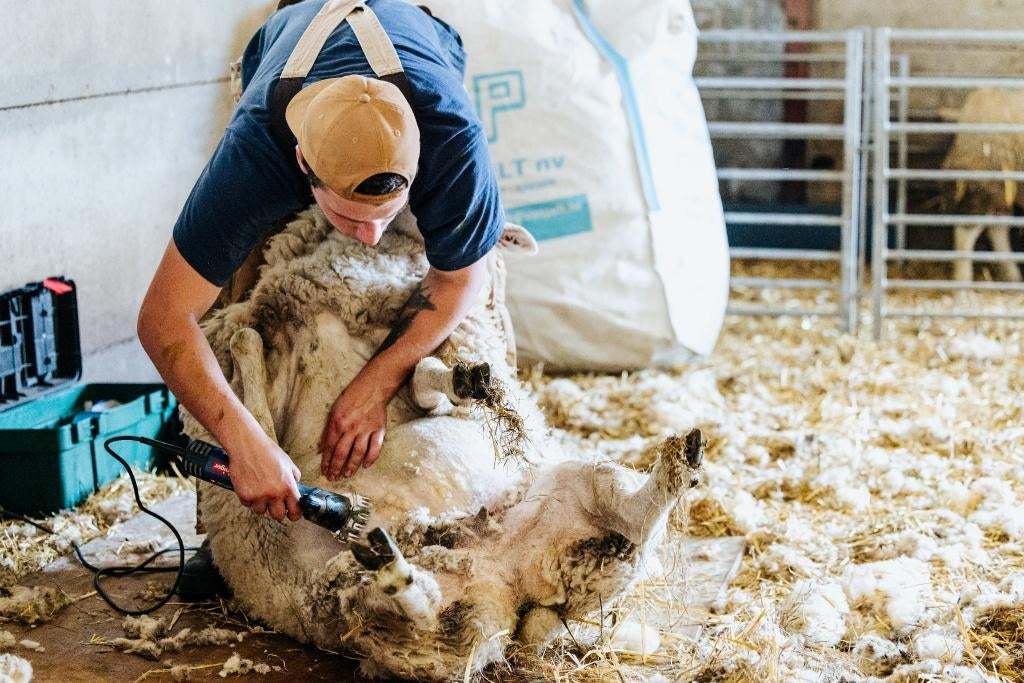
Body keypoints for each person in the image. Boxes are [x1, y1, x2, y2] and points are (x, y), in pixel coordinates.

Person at [137, 0, 503, 597]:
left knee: (472, 260)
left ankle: (494, 465)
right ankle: (219, 526)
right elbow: (164, 318)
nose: (370, 236)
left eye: (386, 213)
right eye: (352, 217)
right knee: (243, 278)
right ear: (302, 165)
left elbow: (461, 278)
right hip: (290, 48)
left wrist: (379, 381)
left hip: (417, 41)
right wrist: (243, 442)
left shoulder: (450, 136)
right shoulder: (257, 151)